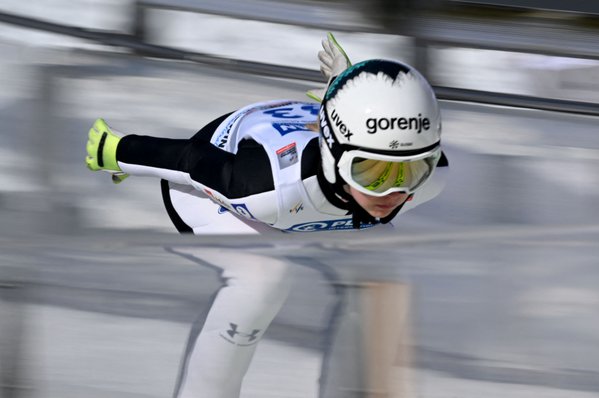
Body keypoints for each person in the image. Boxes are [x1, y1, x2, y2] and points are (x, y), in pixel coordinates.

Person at [85, 33, 449, 397]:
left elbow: (391, 162)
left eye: (413, 171)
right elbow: (189, 161)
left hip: (311, 161)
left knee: (384, 273)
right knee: (264, 276)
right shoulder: (264, 185)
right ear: (334, 157)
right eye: (369, 172)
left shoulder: (429, 180)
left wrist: (353, 97)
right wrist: (116, 149)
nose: (392, 193)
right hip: (214, 183)